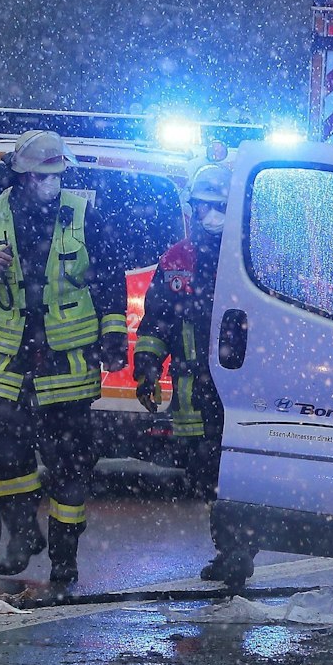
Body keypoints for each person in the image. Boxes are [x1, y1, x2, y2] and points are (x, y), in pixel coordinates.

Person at [0, 129, 128, 593]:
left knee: (70, 465)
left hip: (66, 363)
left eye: (56, 175)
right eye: (41, 176)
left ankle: (65, 559)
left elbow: (110, 279)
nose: (50, 183)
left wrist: (113, 337)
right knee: (3, 454)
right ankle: (22, 532)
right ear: (21, 175)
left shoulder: (85, 214)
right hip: (4, 361)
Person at [134, 164, 242, 581]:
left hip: (238, 390)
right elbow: (156, 320)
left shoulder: (249, 255)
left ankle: (237, 552)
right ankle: (230, 549)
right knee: (207, 476)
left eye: (218, 207)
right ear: (192, 209)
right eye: (203, 207)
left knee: (234, 475)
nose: (210, 215)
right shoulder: (177, 259)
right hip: (192, 390)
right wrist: (146, 369)